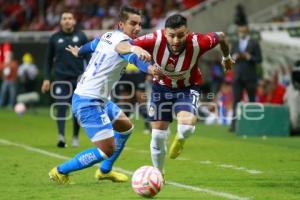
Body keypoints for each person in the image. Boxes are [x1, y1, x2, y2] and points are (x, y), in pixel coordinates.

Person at [48, 6, 160, 184]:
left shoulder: (107, 36)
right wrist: (148, 66)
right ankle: (60, 171)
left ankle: (105, 171)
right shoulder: (125, 43)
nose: (137, 28)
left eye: (139, 24)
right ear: (121, 24)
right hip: (87, 101)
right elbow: (126, 52)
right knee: (105, 150)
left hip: (98, 99)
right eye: (133, 23)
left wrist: (79, 51)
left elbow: (90, 46)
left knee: (125, 127)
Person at [116, 14, 234, 173]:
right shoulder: (154, 39)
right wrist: (133, 47)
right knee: (157, 136)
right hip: (161, 89)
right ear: (165, 33)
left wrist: (226, 57)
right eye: (171, 36)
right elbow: (119, 46)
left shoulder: (198, 42)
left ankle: (180, 138)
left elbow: (221, 36)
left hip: (187, 88)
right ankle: (159, 173)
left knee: (186, 129)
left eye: (180, 35)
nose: (176, 41)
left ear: (188, 32)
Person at [41, 11, 90, 148]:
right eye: (64, 18)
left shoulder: (81, 36)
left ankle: (75, 136)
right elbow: (48, 60)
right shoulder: (54, 38)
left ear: (74, 21)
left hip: (78, 79)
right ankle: (61, 136)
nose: (67, 21)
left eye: (70, 18)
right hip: (60, 79)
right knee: (61, 106)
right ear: (61, 21)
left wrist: (89, 75)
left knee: (77, 109)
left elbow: (89, 57)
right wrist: (46, 78)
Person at [230, 24, 262, 132]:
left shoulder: (254, 43)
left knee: (251, 100)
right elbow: (230, 58)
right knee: (236, 100)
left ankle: (252, 124)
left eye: (243, 31)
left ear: (247, 32)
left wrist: (248, 56)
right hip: (238, 76)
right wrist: (236, 56)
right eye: (240, 31)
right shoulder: (235, 43)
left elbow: (259, 59)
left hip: (250, 76)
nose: (241, 33)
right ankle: (233, 125)